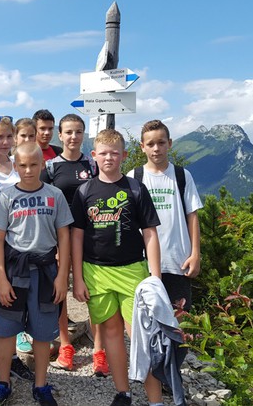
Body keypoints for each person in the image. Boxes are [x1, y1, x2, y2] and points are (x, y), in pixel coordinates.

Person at [70, 129, 162, 406]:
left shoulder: (135, 188)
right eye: (103, 153)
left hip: (133, 271)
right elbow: (77, 236)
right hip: (96, 272)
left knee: (142, 337)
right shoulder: (84, 191)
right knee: (111, 333)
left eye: (114, 153)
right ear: (94, 156)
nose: (109, 158)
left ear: (124, 155)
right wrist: (78, 278)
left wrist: (155, 277)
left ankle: (155, 400)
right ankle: (123, 393)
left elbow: (150, 233)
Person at [0, 142, 74, 406]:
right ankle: (3, 383)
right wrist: (1, 277)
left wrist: (62, 276)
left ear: (42, 164)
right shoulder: (6, 197)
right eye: (22, 165)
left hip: (46, 272)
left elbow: (64, 237)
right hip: (14, 271)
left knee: (43, 332)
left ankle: (41, 385)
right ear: (15, 166)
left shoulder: (55, 195)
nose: (28, 170)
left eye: (33, 164)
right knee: (6, 329)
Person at [40, 113, 97, 372]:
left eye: (78, 132)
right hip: (60, 237)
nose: (74, 137)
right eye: (69, 132)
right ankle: (65, 345)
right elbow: (44, 204)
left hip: (90, 236)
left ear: (83, 134)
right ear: (60, 135)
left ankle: (98, 345)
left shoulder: (93, 165)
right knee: (61, 290)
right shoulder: (51, 167)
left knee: (94, 289)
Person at [0, 116, 35, 385]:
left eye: (8, 136)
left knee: (13, 304)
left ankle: (11, 357)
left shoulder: (18, 165)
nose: (4, 142)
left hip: (17, 247)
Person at [128, 119, 203, 312]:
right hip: (143, 263)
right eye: (150, 144)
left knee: (178, 319)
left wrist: (195, 254)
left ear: (169, 143)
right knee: (146, 319)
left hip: (178, 261)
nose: (156, 149)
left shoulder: (182, 176)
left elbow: (192, 216)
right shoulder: (134, 177)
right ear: (142, 147)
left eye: (161, 143)